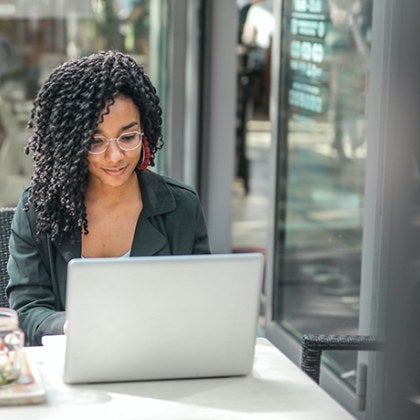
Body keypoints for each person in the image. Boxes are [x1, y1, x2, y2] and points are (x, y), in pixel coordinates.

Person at [6, 50, 210, 346]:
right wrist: (70, 325)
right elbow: (26, 311)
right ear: (71, 144)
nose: (115, 157)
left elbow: (202, 306)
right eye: (95, 141)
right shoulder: (39, 208)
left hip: (161, 362)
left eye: (128, 137)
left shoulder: (181, 207)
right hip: (70, 367)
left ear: (146, 133)